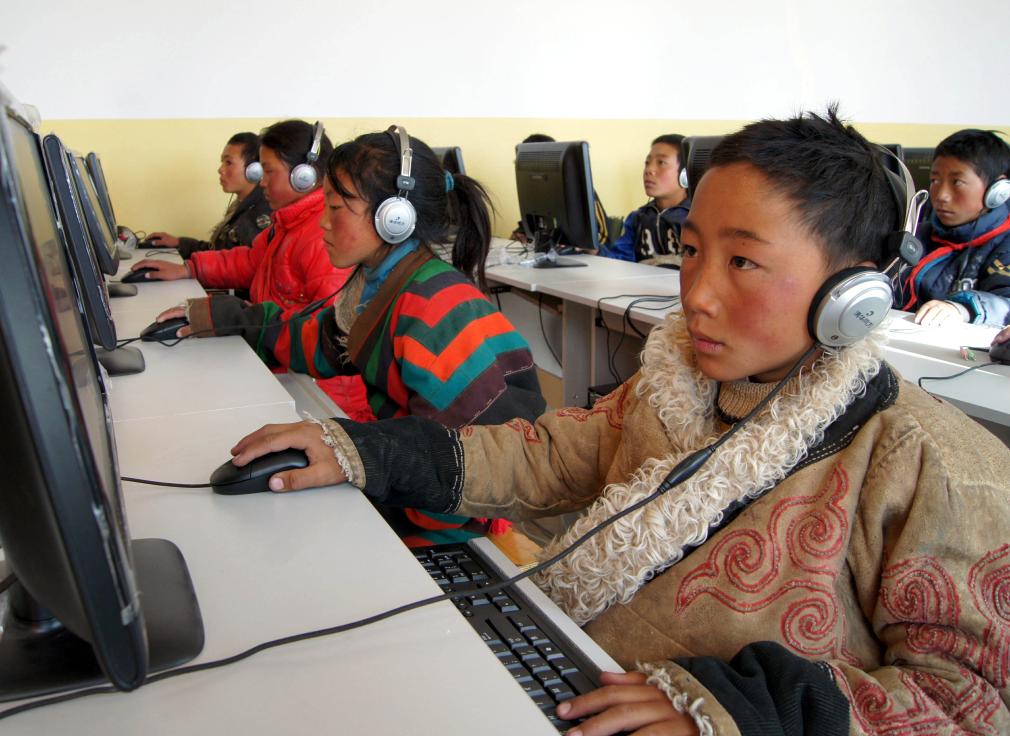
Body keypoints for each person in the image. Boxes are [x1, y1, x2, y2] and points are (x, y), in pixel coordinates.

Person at [226, 110, 1010, 734]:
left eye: (742, 262)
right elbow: (544, 456)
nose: (697, 294)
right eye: (693, 251)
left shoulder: (931, 467)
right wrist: (362, 450)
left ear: (854, 295)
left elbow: (975, 701)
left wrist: (741, 710)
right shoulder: (674, 385)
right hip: (575, 677)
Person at [163, 126, 546, 545]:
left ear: (394, 218)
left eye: (336, 207)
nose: (323, 222)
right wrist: (222, 317)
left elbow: (465, 471)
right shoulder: (378, 287)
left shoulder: (436, 310)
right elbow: (314, 342)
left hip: (455, 528)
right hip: (412, 489)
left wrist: (361, 488)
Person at [131, 120, 370, 420]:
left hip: (320, 395)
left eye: (269, 172)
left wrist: (238, 319)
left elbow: (322, 336)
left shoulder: (322, 237)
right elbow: (249, 261)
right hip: (281, 364)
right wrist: (189, 269)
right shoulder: (287, 223)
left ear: (304, 176)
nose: (262, 183)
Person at [898, 129, 1010, 327]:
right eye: (935, 180)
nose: (941, 195)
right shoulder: (916, 234)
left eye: (957, 182)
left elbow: (1006, 305)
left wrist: (963, 309)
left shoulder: (1004, 245)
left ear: (998, 190)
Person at [144, 132, 272, 259]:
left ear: (255, 170)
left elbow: (238, 265)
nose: (220, 169)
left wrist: (188, 269)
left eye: (228, 162)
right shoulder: (242, 206)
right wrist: (179, 243)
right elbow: (217, 252)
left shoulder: (260, 214)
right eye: (222, 162)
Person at [600, 134, 691, 267]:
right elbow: (620, 261)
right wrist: (596, 251)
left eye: (661, 162)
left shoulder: (697, 218)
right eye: (647, 163)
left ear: (685, 175)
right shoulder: (638, 218)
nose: (649, 170)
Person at [509, 133, 609, 248]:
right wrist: (520, 234)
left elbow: (604, 237)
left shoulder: (580, 190)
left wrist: (593, 249)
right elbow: (533, 223)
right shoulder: (535, 189)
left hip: (586, 256)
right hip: (551, 253)